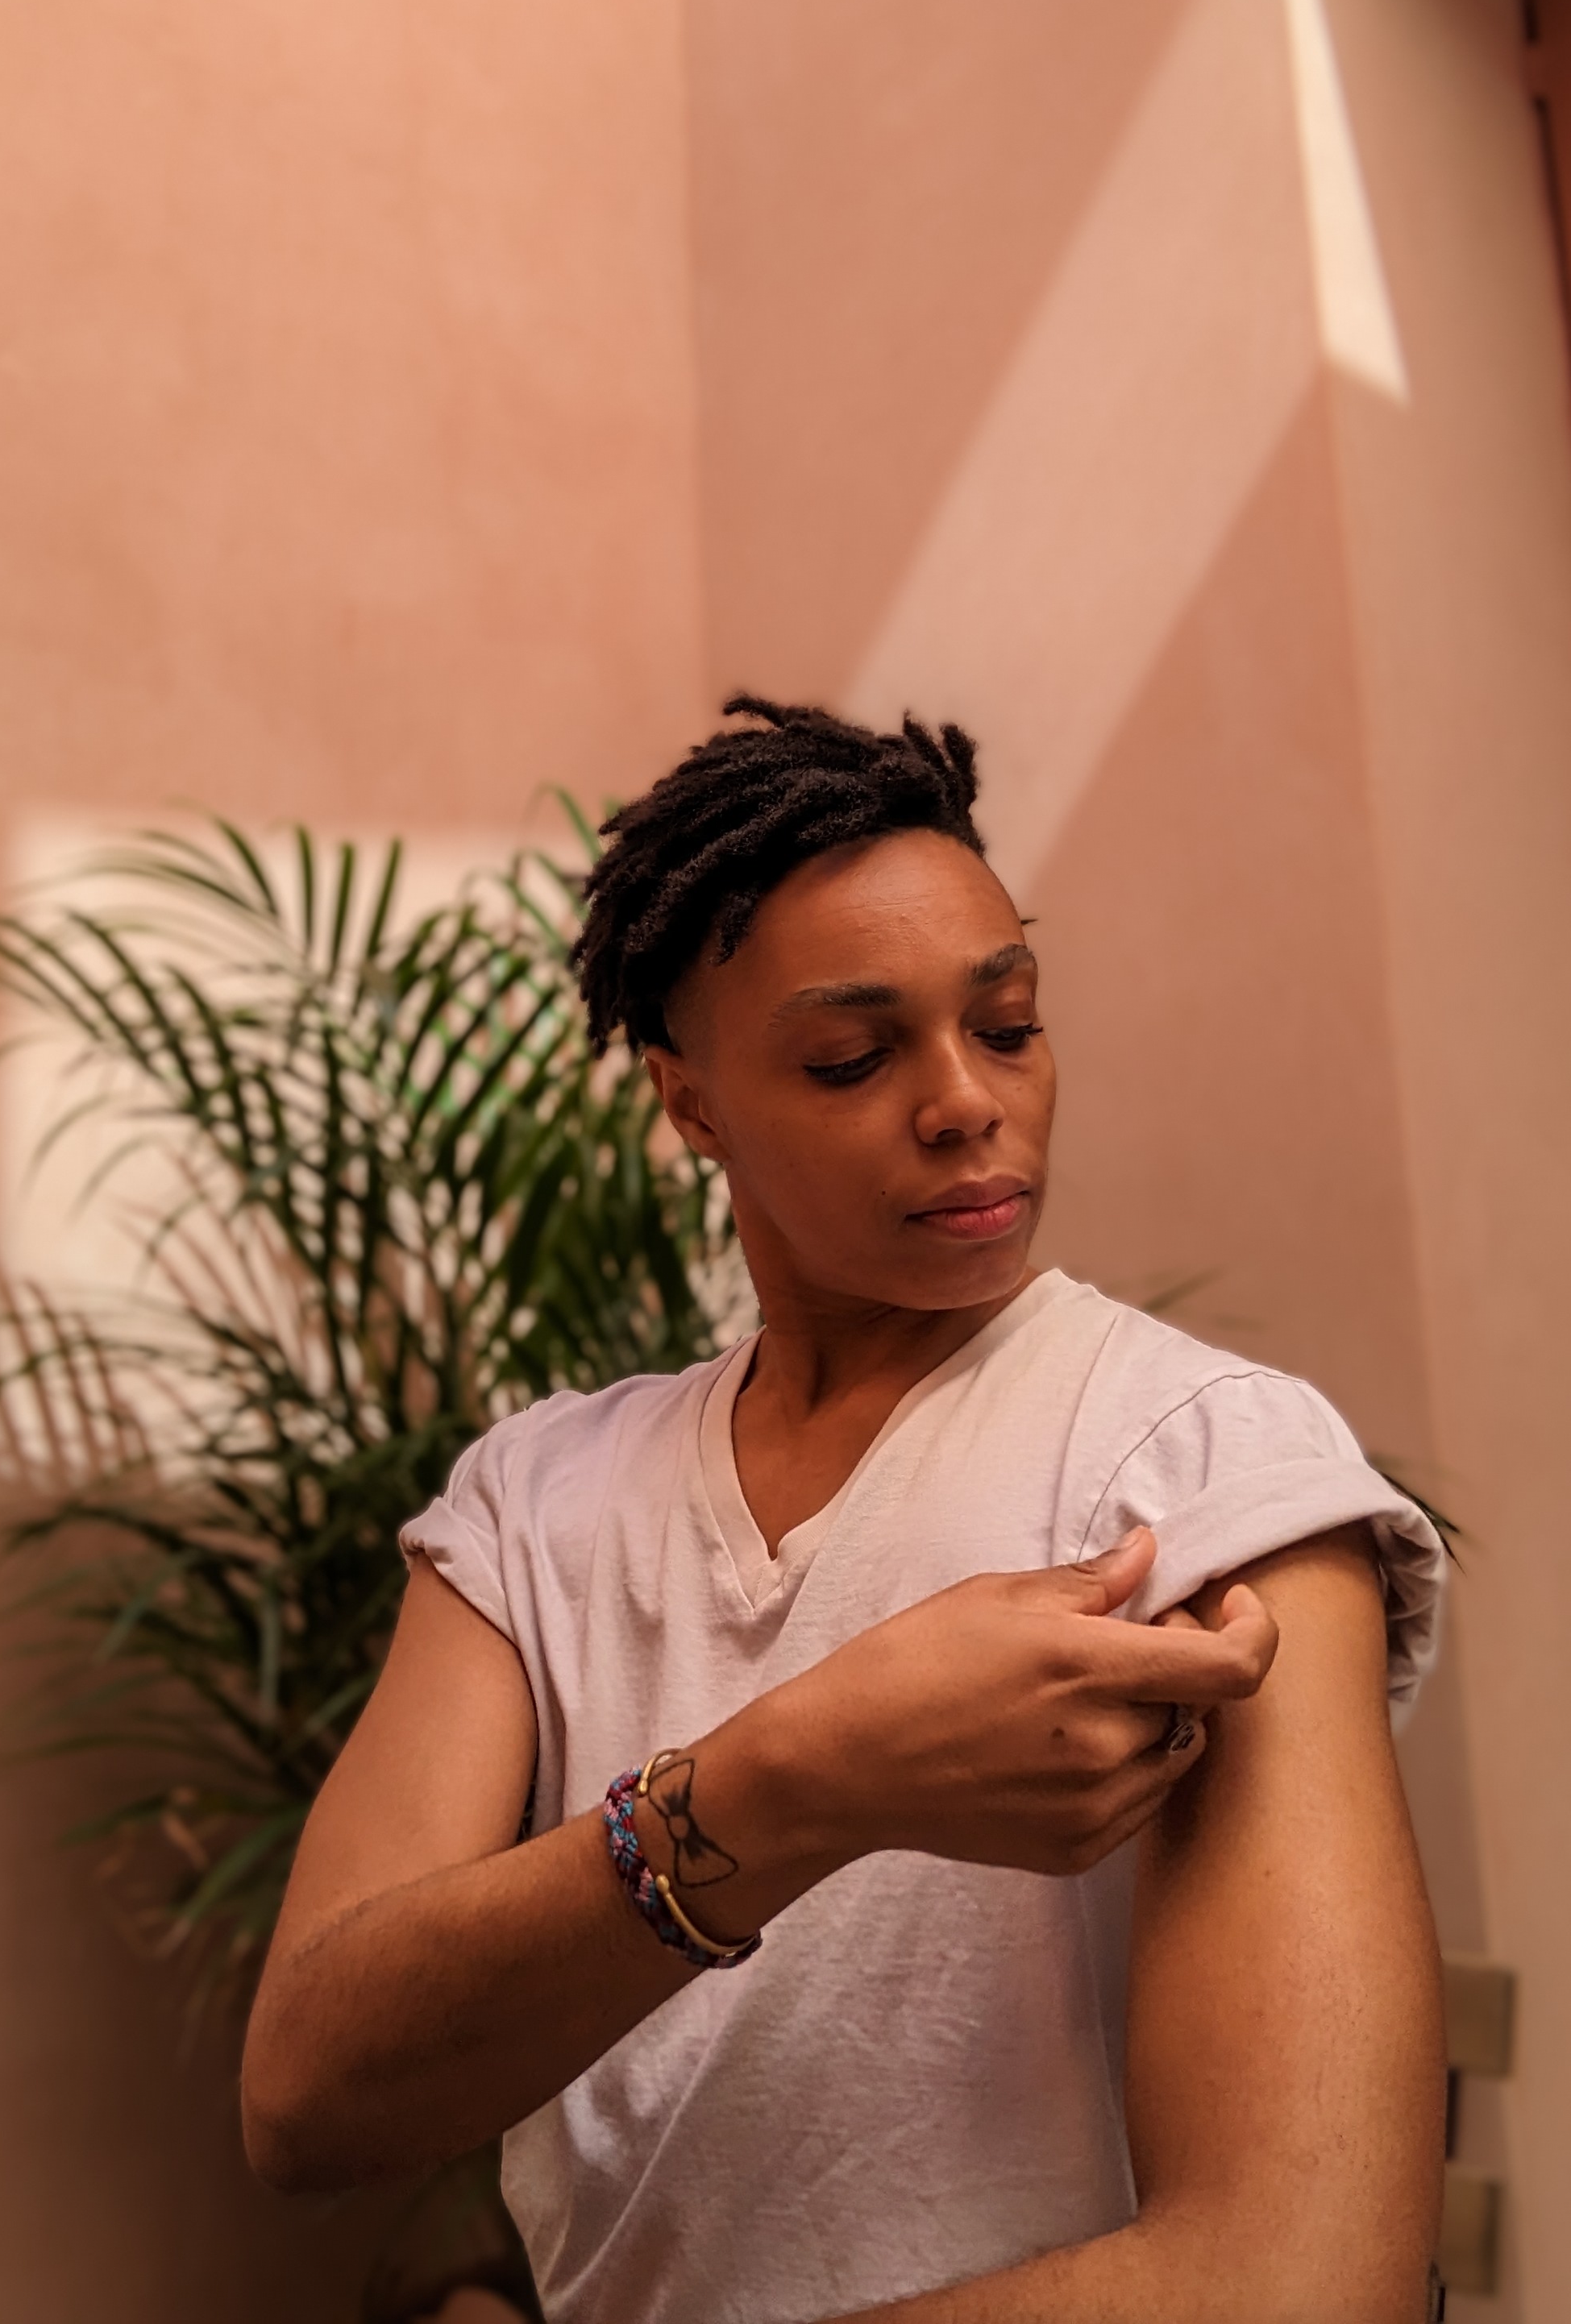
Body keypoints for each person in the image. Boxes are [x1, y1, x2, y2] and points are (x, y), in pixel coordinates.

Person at [242, 699, 1448, 2324]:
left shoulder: (1197, 1465)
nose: (962, 1099)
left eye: (1005, 1024)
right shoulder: (534, 1504)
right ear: (690, 1105)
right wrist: (803, 1773)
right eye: (849, 1054)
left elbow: (1298, 2279)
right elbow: (310, 2089)